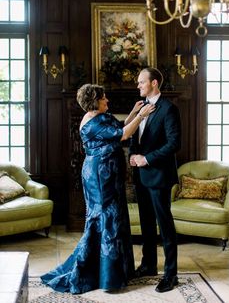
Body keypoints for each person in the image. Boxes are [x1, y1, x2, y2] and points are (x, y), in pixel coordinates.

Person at [41, 83, 155, 294]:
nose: (107, 101)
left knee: (114, 217)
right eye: (104, 98)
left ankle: (115, 271)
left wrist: (133, 112)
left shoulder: (101, 116)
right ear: (95, 101)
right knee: (106, 218)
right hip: (99, 176)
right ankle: (105, 276)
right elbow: (122, 135)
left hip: (108, 174)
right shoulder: (91, 122)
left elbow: (119, 127)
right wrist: (141, 116)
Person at [129, 67, 181, 293]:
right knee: (147, 224)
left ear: (154, 83)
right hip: (141, 176)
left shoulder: (169, 109)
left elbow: (173, 144)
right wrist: (132, 153)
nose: (138, 85)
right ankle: (149, 265)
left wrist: (146, 159)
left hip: (159, 175)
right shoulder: (141, 107)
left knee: (165, 226)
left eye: (141, 82)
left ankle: (171, 274)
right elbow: (136, 137)